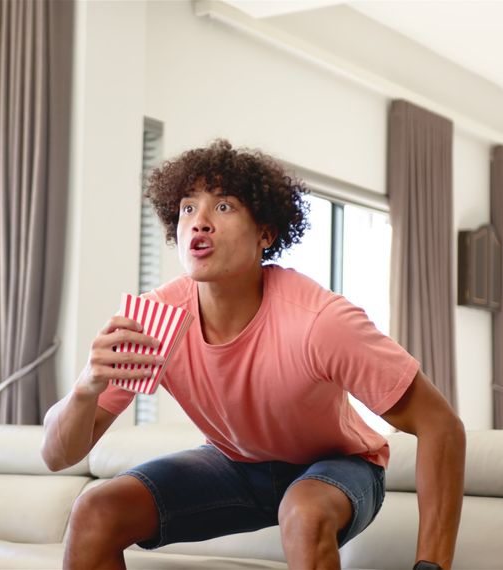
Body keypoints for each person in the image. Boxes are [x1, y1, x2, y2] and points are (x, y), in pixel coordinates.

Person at [41, 139, 466, 570]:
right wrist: (84, 389)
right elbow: (57, 456)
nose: (199, 222)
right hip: (235, 464)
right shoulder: (156, 322)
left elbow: (441, 425)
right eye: (188, 208)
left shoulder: (321, 322)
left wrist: (431, 565)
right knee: (95, 511)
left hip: (340, 466)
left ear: (266, 233)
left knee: (304, 513)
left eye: (223, 207)